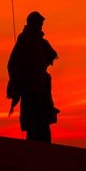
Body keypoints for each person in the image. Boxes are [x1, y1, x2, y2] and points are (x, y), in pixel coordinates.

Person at [6, 11, 59, 143]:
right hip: (30, 88)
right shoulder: (24, 40)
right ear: (32, 23)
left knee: (44, 124)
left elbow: (51, 56)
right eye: (39, 23)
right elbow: (13, 64)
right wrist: (18, 83)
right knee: (34, 125)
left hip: (42, 87)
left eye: (41, 24)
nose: (41, 26)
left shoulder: (40, 41)